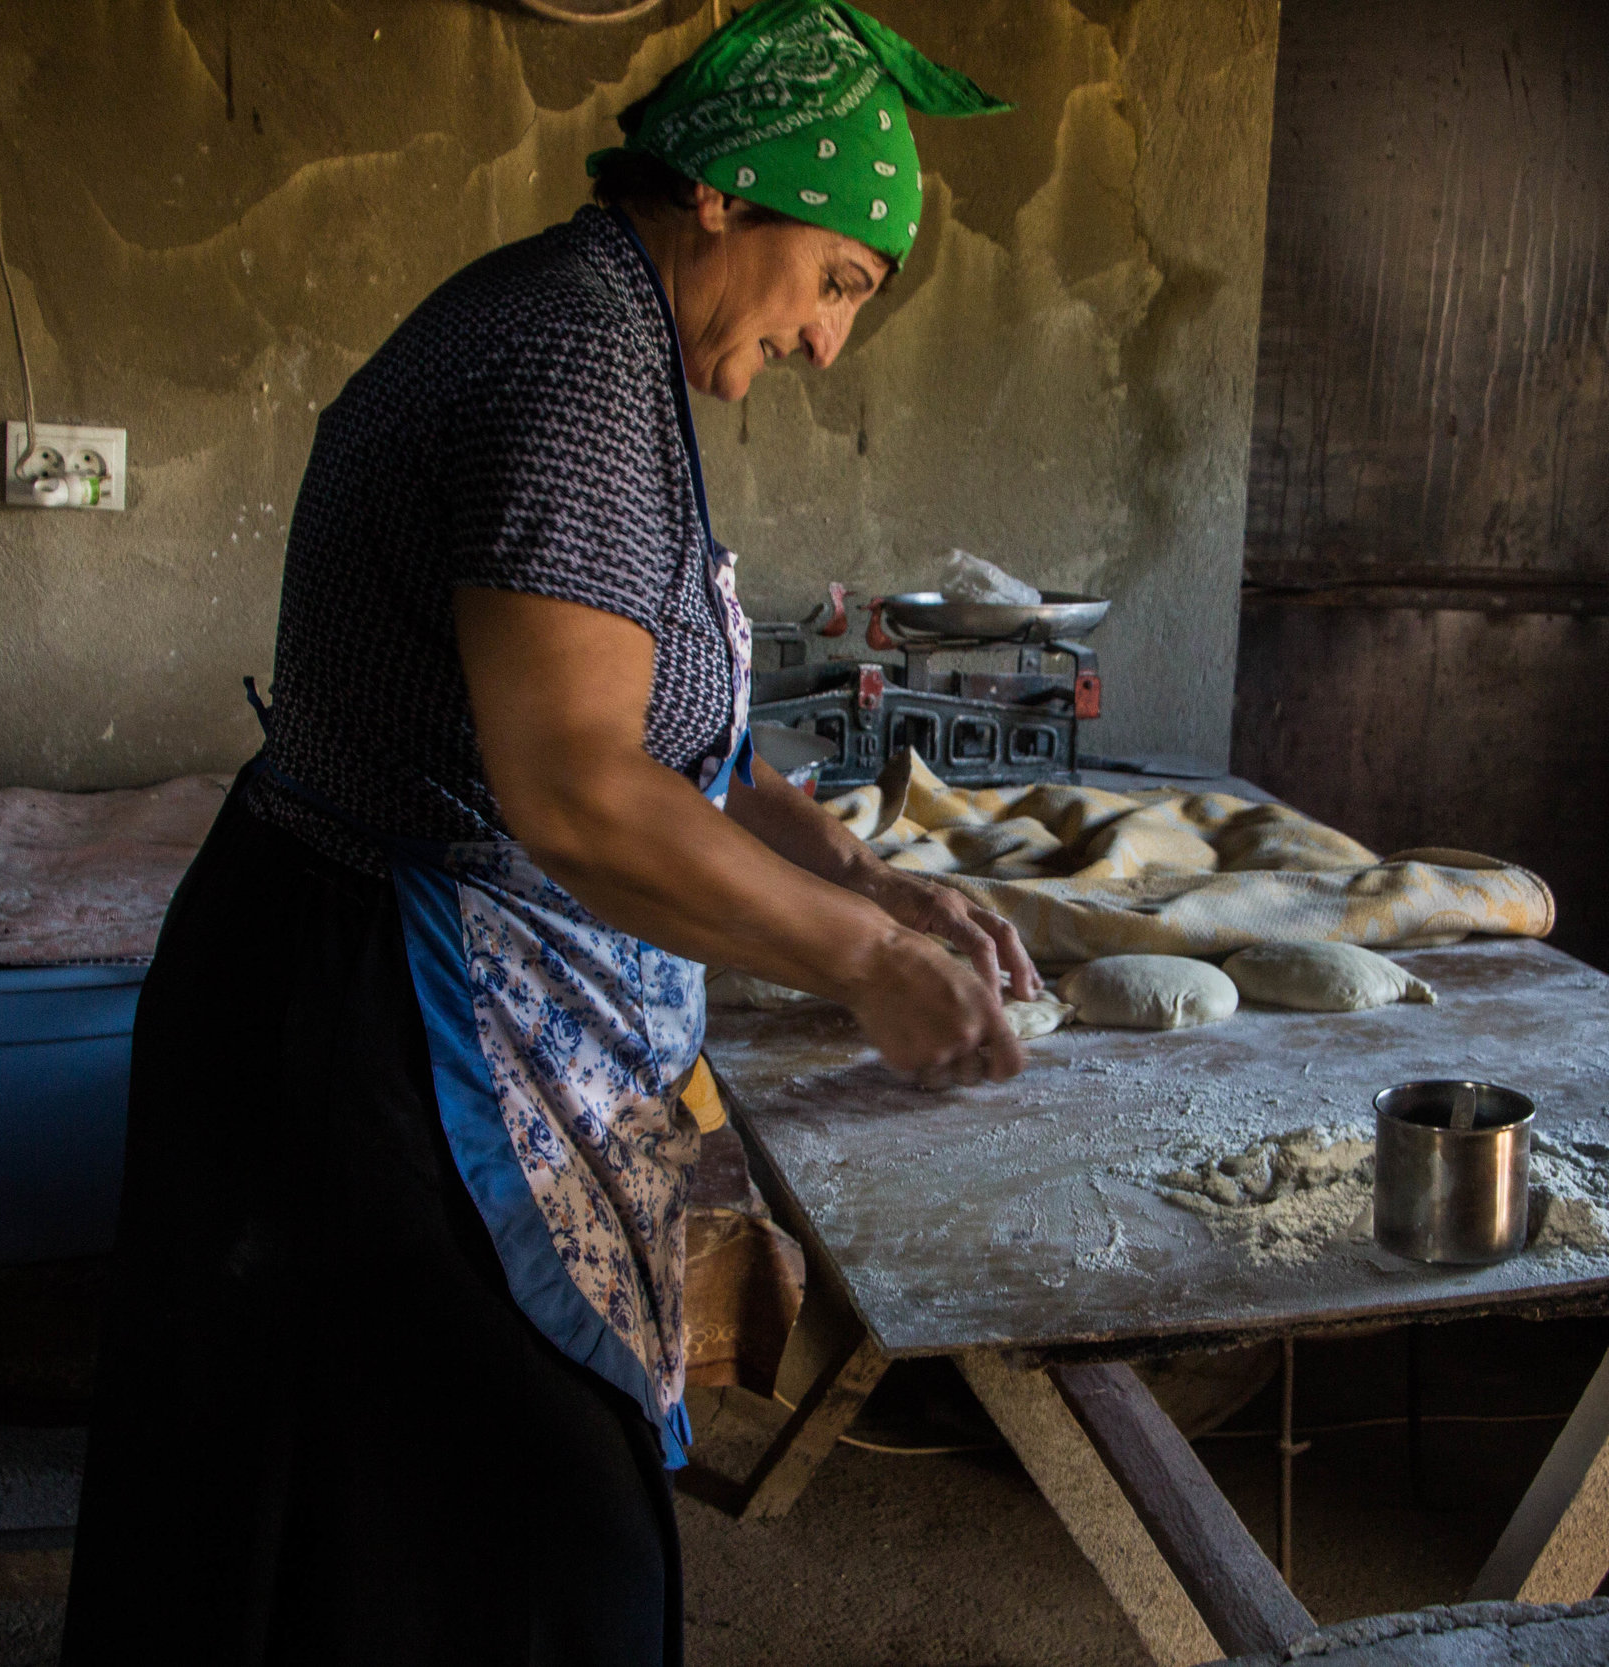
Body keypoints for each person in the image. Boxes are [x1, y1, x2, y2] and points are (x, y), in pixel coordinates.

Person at [59, 6, 1023, 1662]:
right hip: (371, 1026)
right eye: (839, 281)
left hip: (385, 985)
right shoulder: (570, 365)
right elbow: (576, 787)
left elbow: (665, 728)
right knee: (493, 1545)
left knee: (387, 1538)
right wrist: (864, 964)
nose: (826, 347)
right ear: (725, 193)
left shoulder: (607, 342)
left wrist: (855, 867)